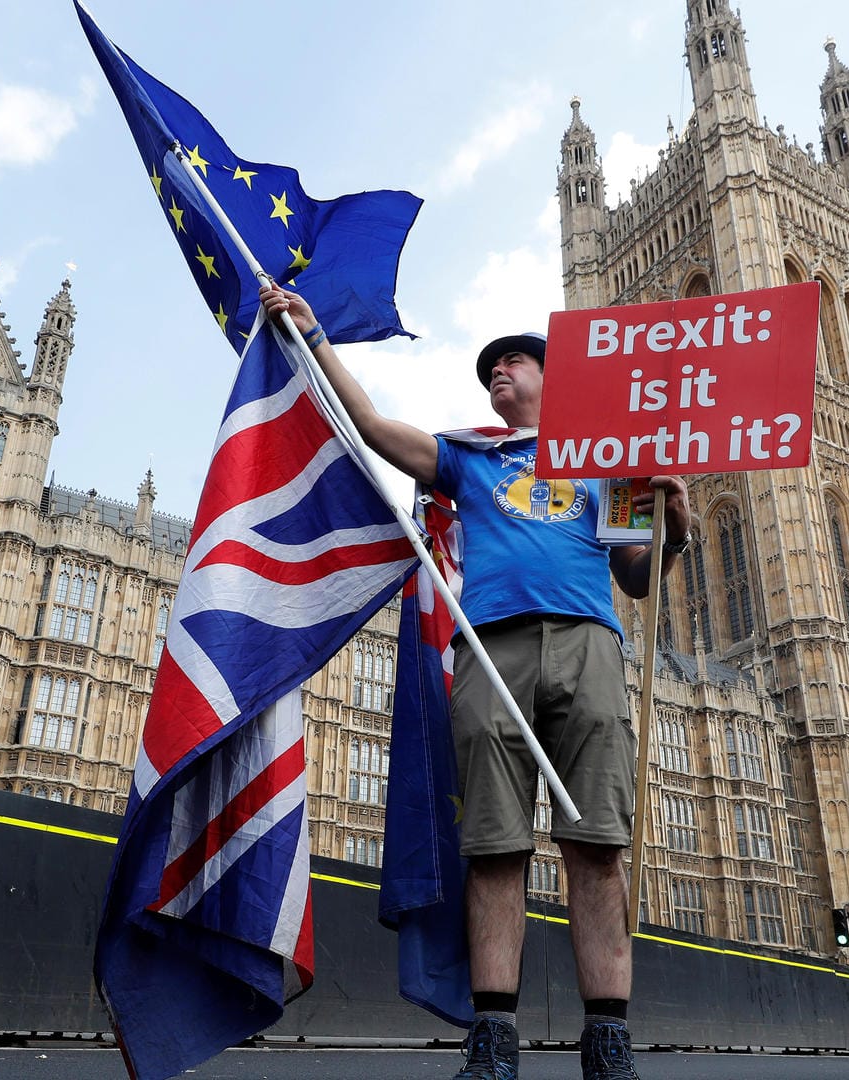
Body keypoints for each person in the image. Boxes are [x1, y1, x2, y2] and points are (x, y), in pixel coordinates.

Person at [261, 284, 691, 1080]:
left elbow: (638, 575)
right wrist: (317, 336)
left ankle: (609, 1041)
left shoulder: (615, 459)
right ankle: (493, 1039)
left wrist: (676, 528)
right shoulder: (472, 455)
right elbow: (375, 430)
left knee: (597, 849)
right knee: (495, 847)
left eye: (514, 361)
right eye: (490, 367)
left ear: (552, 379)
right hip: (491, 650)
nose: (497, 372)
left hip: (590, 643)